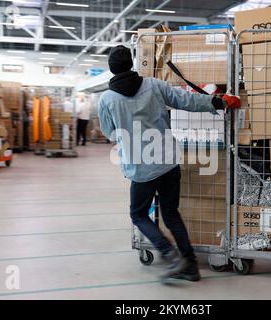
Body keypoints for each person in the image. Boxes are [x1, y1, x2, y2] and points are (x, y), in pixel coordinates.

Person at [98, 45, 241, 282]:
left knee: (138, 214)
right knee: (171, 214)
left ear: (111, 69)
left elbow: (109, 132)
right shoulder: (153, 85)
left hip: (140, 166)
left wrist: (126, 135)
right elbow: (187, 101)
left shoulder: (107, 99)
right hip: (167, 161)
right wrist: (220, 102)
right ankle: (191, 266)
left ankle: (169, 254)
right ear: (131, 64)